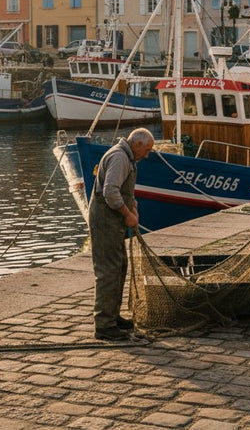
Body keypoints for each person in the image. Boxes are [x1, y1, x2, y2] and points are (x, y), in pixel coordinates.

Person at [88, 127, 155, 340]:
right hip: (105, 220)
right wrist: (127, 214)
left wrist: (133, 205)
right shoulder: (119, 157)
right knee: (108, 270)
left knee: (119, 267)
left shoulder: (129, 157)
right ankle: (105, 325)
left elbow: (125, 190)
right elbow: (110, 192)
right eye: (147, 150)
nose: (147, 154)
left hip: (113, 220)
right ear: (136, 145)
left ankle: (113, 316)